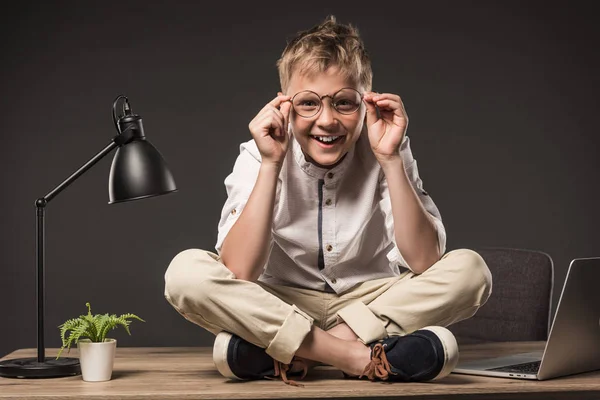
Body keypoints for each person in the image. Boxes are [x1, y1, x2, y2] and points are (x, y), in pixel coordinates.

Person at [164, 15, 492, 386]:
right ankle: (358, 356)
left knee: (471, 271)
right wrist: (272, 163)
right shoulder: (259, 154)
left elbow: (425, 261)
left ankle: (296, 353)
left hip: (369, 301)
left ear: (365, 103)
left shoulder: (388, 148)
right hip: (280, 301)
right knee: (185, 273)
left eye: (343, 103)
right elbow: (239, 272)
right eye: (308, 103)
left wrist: (390, 159)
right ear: (284, 104)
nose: (327, 120)